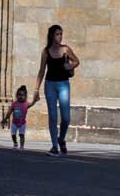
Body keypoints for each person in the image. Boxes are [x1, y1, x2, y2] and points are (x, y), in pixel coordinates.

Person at [33, 24, 80, 156]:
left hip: (64, 84)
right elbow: (41, 71)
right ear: (52, 36)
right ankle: (54, 146)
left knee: (66, 117)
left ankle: (61, 139)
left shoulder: (65, 49)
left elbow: (77, 61)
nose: (60, 36)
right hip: (50, 85)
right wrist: (36, 90)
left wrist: (69, 65)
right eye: (57, 34)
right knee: (53, 116)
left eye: (61, 34)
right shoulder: (46, 51)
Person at [1, 84, 35, 149]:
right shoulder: (14, 103)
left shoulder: (26, 104)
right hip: (14, 123)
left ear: (25, 96)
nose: (20, 96)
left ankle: (22, 146)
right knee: (13, 135)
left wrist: (35, 100)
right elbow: (9, 112)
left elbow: (31, 104)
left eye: (22, 95)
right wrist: (5, 119)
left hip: (22, 123)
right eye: (19, 95)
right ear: (17, 95)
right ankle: (15, 143)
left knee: (21, 135)